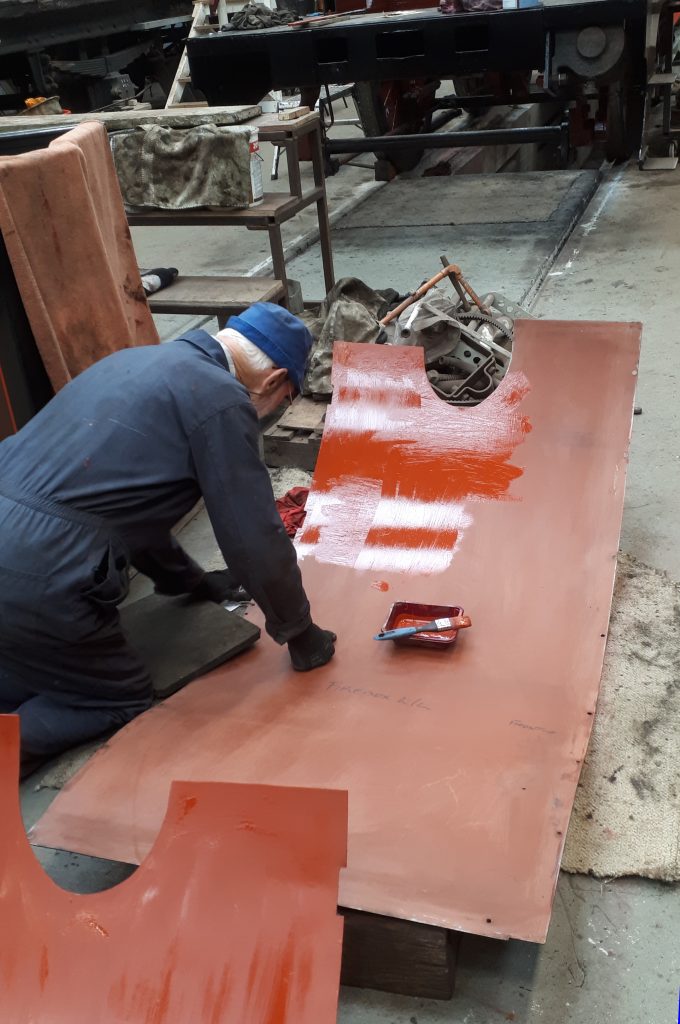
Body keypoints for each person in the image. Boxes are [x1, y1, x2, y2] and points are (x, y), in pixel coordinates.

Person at [0, 302, 336, 776]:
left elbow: (126, 514)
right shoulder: (220, 400)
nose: (277, 409)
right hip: (39, 572)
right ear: (273, 379)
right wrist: (300, 630)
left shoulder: (134, 361)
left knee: (22, 673)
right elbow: (251, 535)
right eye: (285, 399)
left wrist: (194, 583)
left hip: (13, 546)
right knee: (113, 695)